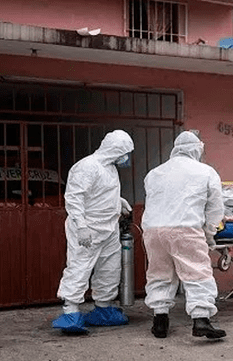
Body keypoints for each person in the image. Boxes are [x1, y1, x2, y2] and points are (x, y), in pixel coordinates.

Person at [141, 130, 226, 339]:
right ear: (198, 149)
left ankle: (160, 321)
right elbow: (215, 208)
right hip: (185, 228)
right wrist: (209, 234)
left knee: (160, 273)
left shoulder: (154, 173)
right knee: (196, 273)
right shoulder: (206, 172)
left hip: (153, 231)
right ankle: (201, 319)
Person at [52, 129, 134, 333]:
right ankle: (70, 311)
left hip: (109, 227)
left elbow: (100, 192)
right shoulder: (87, 166)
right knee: (79, 267)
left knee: (110, 269)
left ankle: (103, 309)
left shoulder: (110, 168)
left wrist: (118, 202)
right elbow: (74, 197)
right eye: (125, 152)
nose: (126, 158)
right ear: (115, 150)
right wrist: (81, 226)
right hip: (88, 228)